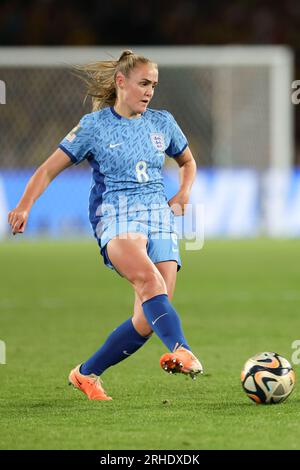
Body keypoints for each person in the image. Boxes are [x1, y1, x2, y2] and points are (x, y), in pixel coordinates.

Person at [8, 50, 203, 401]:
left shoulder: (162, 122)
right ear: (120, 82)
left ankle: (86, 373)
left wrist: (184, 192)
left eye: (154, 85)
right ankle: (182, 348)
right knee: (150, 282)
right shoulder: (94, 126)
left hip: (158, 216)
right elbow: (48, 169)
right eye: (143, 83)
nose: (149, 92)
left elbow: (187, 161)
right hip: (116, 216)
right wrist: (24, 205)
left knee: (147, 319)